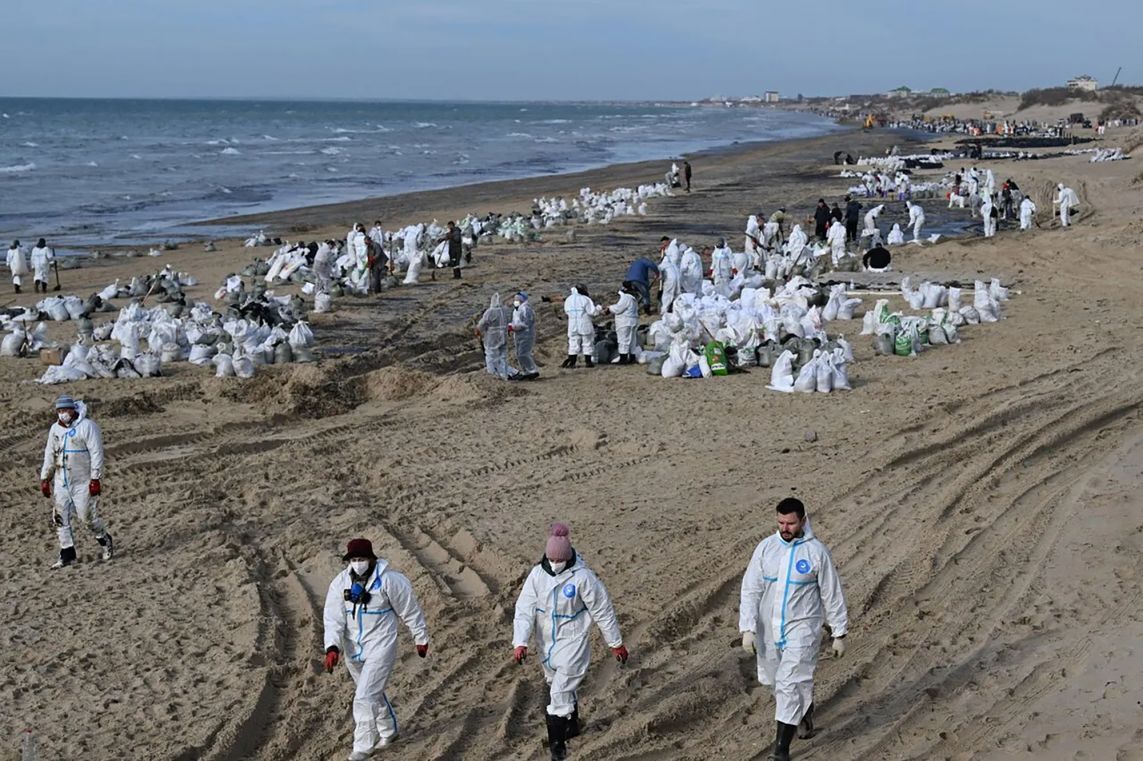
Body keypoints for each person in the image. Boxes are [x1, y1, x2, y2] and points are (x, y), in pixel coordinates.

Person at [739, 498, 848, 761]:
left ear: (802, 520)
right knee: (778, 683)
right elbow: (751, 589)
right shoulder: (766, 549)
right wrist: (748, 628)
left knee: (790, 683)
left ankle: (781, 752)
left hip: (803, 629)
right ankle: (805, 710)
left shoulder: (816, 552)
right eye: (780, 522)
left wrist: (839, 632)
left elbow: (831, 593)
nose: (785, 528)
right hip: (769, 629)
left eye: (790, 523)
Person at [513, 523, 627, 761]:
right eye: (551, 559)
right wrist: (520, 642)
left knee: (559, 693)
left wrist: (615, 642)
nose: (555, 564)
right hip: (546, 642)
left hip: (573, 641)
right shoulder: (537, 576)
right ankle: (571, 725)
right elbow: (524, 609)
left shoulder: (583, 578)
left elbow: (602, 610)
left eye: (559, 560)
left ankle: (558, 749)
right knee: (555, 681)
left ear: (567, 557)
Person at [323, 538, 430, 761]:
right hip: (353, 648)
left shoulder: (390, 581)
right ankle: (389, 731)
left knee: (363, 696)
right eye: (354, 559)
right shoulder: (340, 582)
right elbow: (333, 618)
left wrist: (420, 637)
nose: (358, 563)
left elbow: (410, 611)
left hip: (381, 645)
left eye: (362, 559)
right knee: (372, 692)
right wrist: (332, 646)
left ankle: (362, 747)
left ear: (372, 558)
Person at [40, 395, 113, 569]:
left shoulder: (87, 427)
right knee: (59, 517)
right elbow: (50, 454)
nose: (62, 414)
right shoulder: (55, 430)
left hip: (82, 481)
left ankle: (104, 538)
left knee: (86, 518)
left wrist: (95, 478)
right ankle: (67, 553)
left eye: (65, 410)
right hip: (61, 481)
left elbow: (96, 454)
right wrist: (45, 477)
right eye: (59, 411)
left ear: (73, 410)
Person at [562, 285, 598, 368]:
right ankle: (588, 362)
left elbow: (566, 311)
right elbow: (592, 312)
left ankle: (572, 362)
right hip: (584, 323)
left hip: (572, 324)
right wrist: (598, 308)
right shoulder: (585, 299)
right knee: (587, 342)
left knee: (573, 343)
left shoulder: (568, 299)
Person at [476, 292, 510, 380]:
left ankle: (492, 376)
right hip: (504, 336)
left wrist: (478, 330)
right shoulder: (505, 310)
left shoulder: (490, 312)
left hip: (492, 338)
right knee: (503, 356)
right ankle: (504, 375)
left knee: (491, 356)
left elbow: (482, 324)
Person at [509, 291, 540, 380]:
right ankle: (526, 371)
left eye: (517, 299)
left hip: (526, 334)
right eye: (515, 299)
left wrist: (513, 327)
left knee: (524, 353)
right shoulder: (516, 310)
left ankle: (532, 370)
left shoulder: (526, 309)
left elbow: (526, 323)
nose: (515, 301)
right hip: (519, 335)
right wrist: (511, 326)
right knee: (519, 354)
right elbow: (516, 322)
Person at [606, 284, 639, 364]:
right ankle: (632, 357)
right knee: (632, 340)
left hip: (625, 322)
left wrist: (609, 307)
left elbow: (618, 309)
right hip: (633, 321)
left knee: (623, 340)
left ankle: (623, 359)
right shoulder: (633, 299)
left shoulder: (625, 298)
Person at [657, 241, 682, 314]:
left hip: (670, 281)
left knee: (667, 295)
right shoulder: (673, 266)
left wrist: (659, 276)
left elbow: (658, 270)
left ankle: (664, 311)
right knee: (676, 294)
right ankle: (677, 310)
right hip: (677, 280)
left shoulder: (664, 264)